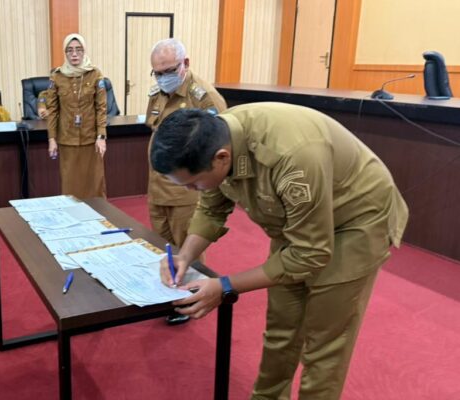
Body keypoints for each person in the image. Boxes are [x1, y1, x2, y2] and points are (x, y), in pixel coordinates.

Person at [151, 104, 409, 399]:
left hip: (355, 220)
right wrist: (185, 256)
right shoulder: (216, 140)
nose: (191, 191)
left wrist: (225, 286)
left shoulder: (291, 156)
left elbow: (310, 253)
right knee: (281, 328)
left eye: (193, 183)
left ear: (221, 158)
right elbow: (212, 209)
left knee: (325, 341)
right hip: (297, 223)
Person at [146, 38, 228, 326]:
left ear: (186, 64)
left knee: (188, 250)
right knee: (163, 248)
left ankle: (191, 300)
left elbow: (220, 148)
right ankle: (168, 295)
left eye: (169, 70)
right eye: (157, 73)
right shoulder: (157, 94)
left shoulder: (204, 97)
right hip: (158, 188)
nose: (163, 78)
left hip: (186, 192)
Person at [46, 33, 108, 199]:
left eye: (79, 50)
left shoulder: (95, 74)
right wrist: (52, 139)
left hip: (91, 139)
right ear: (65, 52)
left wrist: (101, 136)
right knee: (70, 185)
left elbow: (101, 108)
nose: (74, 54)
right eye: (70, 50)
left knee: (95, 183)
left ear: (84, 51)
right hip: (67, 139)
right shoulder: (57, 76)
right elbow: (52, 110)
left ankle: (97, 213)